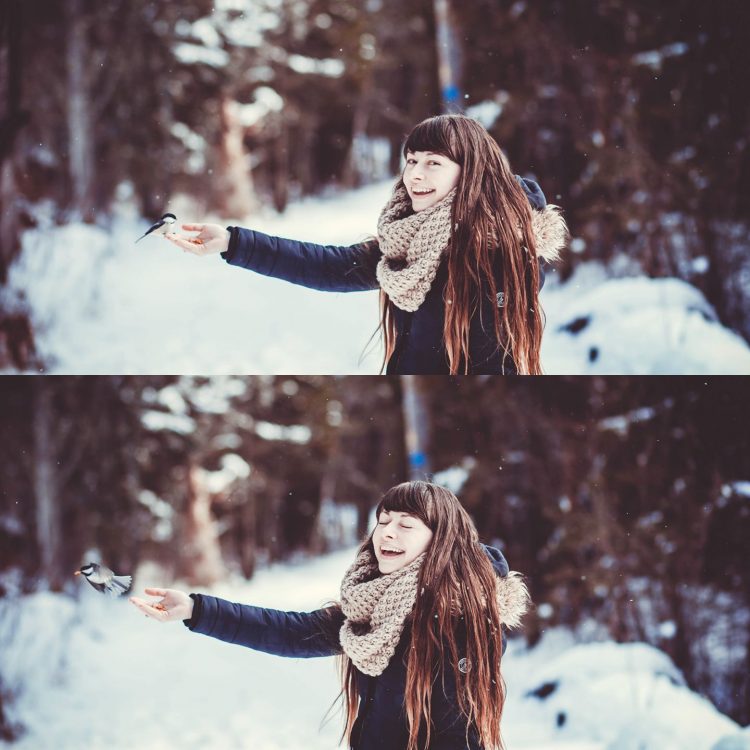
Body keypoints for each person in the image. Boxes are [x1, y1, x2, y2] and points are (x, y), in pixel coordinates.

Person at [130, 481, 530, 750]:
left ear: (442, 540)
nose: (387, 533)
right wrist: (198, 609)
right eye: (384, 521)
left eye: (406, 525)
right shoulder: (370, 606)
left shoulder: (468, 621)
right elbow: (290, 633)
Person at [164, 114, 568, 375]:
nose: (415, 175)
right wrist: (233, 243)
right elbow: (329, 266)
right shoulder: (410, 236)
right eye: (412, 160)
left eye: (434, 163)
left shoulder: (505, 251)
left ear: (471, 174)